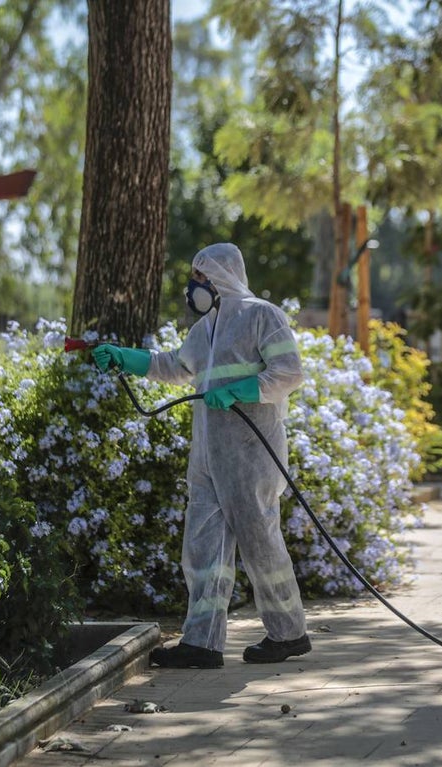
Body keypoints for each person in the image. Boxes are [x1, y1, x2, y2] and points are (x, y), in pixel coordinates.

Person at [92, 242, 310, 668]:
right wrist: (125, 359)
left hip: (252, 453)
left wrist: (241, 390)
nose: (194, 287)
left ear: (221, 278)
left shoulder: (261, 315)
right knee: (202, 549)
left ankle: (289, 634)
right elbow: (174, 366)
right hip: (209, 457)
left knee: (260, 543)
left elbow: (289, 371)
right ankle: (202, 643)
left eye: (200, 279)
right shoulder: (204, 329)